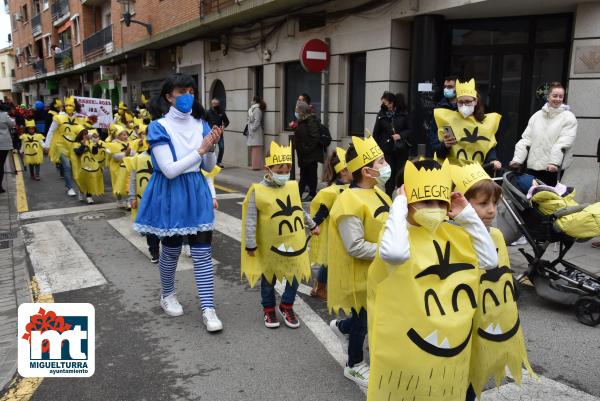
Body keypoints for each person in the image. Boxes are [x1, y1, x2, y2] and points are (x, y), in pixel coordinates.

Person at [366, 158, 497, 400]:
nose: (434, 208)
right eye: (426, 201)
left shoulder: (455, 234)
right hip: (407, 351)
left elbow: (489, 260)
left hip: (452, 346)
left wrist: (467, 215)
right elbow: (395, 255)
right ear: (407, 199)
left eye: (440, 201)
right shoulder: (396, 234)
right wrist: (399, 205)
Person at [133, 73, 223, 333]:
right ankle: (167, 293)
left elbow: (207, 167)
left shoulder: (200, 124)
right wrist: (201, 150)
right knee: (171, 250)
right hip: (171, 192)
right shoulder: (158, 127)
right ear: (169, 96)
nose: (188, 96)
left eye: (191, 91)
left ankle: (208, 307)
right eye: (181, 91)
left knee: (203, 253)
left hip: (197, 190)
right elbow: (169, 170)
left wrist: (212, 148)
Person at [450, 162, 533, 400]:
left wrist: (511, 285)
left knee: (477, 366)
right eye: (483, 204)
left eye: (495, 203)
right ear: (461, 204)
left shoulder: (495, 234)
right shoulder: (454, 236)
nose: (492, 210)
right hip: (462, 317)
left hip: (486, 317)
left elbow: (500, 265)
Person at [327, 135, 392, 387]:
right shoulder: (348, 201)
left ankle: (343, 326)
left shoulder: (380, 193)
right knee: (363, 319)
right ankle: (353, 364)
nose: (386, 165)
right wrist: (389, 250)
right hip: (361, 277)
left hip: (381, 272)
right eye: (381, 161)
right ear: (366, 170)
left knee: (368, 316)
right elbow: (354, 246)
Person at [241, 141, 319, 329]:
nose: (284, 175)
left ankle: (287, 305)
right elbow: (251, 220)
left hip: (293, 243)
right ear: (268, 168)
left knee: (294, 276)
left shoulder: (292, 187)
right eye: (280, 170)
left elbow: (298, 210)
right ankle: (269, 309)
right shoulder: (257, 191)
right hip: (270, 248)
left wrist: (312, 224)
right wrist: (250, 244)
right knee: (269, 279)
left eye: (287, 171)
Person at [510, 82, 577, 186]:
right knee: (529, 197)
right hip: (533, 166)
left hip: (552, 169)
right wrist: (517, 160)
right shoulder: (537, 116)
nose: (558, 99)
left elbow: (563, 143)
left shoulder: (568, 117)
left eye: (561, 96)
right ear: (548, 96)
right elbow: (526, 140)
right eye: (555, 96)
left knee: (547, 199)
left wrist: (554, 163)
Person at [309, 147, 352, 300]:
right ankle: (320, 288)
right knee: (329, 262)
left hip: (346, 231)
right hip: (335, 233)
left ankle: (329, 286)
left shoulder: (350, 188)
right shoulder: (332, 191)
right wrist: (314, 226)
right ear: (343, 171)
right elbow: (321, 213)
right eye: (351, 167)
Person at [433, 78, 502, 171]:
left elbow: (490, 147)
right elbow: (437, 151)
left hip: (476, 174)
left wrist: (493, 160)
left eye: (467, 101)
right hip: (451, 173)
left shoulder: (486, 122)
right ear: (456, 102)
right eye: (460, 102)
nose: (464, 105)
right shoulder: (447, 119)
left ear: (475, 101)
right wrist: (445, 146)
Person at [125, 133, 159, 263]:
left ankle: (166, 251)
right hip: (144, 199)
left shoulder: (166, 158)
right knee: (149, 226)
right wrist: (132, 197)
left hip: (162, 198)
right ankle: (154, 251)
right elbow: (133, 179)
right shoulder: (138, 158)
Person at [372, 91, 412, 196]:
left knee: (400, 173)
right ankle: (388, 196)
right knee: (389, 173)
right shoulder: (381, 115)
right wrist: (376, 149)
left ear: (392, 103)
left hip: (401, 149)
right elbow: (376, 133)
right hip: (387, 149)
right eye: (383, 103)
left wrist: (400, 135)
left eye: (386, 102)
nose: (384, 105)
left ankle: (401, 195)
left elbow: (410, 130)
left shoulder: (403, 114)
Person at [43, 96, 84, 197]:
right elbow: (51, 131)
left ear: (75, 106)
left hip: (73, 146)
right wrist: (47, 145)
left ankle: (69, 184)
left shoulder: (78, 118)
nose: (69, 107)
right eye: (67, 105)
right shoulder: (58, 117)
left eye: (71, 105)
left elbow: (83, 131)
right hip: (60, 145)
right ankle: (70, 187)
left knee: (74, 166)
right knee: (67, 166)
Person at [294, 100, 323, 201]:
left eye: (297, 109)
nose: (295, 111)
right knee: (304, 175)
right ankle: (300, 194)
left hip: (310, 155)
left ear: (302, 111)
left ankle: (311, 194)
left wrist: (306, 149)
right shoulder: (302, 121)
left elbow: (315, 137)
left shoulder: (310, 121)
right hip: (304, 155)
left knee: (309, 175)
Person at [428, 75, 458, 157]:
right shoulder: (439, 107)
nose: (446, 89)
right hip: (444, 154)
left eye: (450, 87)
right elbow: (433, 131)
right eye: (445, 86)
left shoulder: (464, 108)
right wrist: (440, 147)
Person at [73, 129, 103, 204]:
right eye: (84, 134)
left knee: (90, 179)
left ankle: (89, 196)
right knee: (83, 180)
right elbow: (78, 153)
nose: (86, 136)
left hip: (91, 163)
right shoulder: (76, 143)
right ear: (81, 135)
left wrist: (95, 144)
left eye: (87, 134)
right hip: (81, 164)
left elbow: (94, 152)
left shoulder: (90, 142)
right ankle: (81, 190)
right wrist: (83, 144)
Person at [205, 98, 229, 168]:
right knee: (211, 149)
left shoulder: (221, 112)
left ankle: (218, 162)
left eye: (216, 104)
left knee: (221, 147)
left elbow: (227, 121)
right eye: (213, 104)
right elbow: (204, 122)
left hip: (219, 133)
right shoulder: (208, 112)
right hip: (211, 133)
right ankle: (210, 163)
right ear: (211, 104)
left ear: (218, 105)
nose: (214, 105)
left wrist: (223, 126)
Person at [246, 96, 266, 170]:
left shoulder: (257, 110)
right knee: (254, 148)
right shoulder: (253, 109)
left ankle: (257, 166)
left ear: (255, 101)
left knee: (256, 149)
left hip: (256, 132)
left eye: (252, 100)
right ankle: (255, 166)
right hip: (253, 132)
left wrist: (252, 128)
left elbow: (257, 121)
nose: (251, 101)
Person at [0, 103, 16, 193]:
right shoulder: (4, 115)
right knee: (1, 163)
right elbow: (13, 123)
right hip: (3, 143)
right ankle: (0, 186)